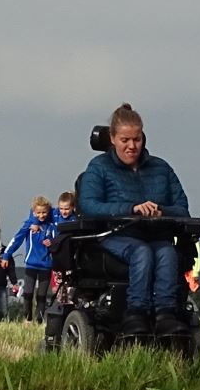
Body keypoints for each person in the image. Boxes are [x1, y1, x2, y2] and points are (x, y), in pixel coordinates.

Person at [78, 103, 190, 348]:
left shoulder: (161, 168)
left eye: (137, 139)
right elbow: (88, 205)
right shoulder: (99, 168)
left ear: (143, 137)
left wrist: (162, 210)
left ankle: (166, 314)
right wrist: (131, 208)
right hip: (115, 235)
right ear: (112, 139)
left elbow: (182, 206)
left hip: (155, 234)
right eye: (125, 140)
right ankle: (135, 313)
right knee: (142, 252)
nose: (132, 146)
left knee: (167, 252)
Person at [0, 196, 59, 324]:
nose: (41, 215)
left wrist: (50, 240)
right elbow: (17, 239)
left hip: (46, 265)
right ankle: (27, 319)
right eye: (38, 213)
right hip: (31, 264)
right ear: (33, 212)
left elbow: (57, 240)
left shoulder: (51, 226)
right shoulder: (29, 225)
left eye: (44, 212)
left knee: (42, 295)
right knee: (28, 293)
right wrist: (6, 255)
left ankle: (39, 320)